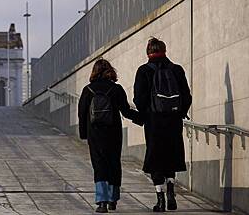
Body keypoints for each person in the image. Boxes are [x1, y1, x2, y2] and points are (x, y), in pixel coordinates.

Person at [133, 38, 192, 212]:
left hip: (153, 122)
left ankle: (160, 200)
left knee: (155, 159)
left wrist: (144, 115)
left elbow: (139, 98)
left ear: (148, 52)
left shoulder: (144, 71)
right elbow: (186, 96)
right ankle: (171, 190)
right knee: (171, 156)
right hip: (173, 121)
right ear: (164, 50)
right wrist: (180, 113)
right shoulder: (176, 69)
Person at [78, 59, 142, 213]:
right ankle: (113, 199)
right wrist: (143, 119)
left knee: (99, 165)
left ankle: (102, 202)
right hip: (113, 133)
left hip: (95, 133)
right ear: (110, 71)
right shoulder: (116, 89)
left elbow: (82, 114)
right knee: (113, 163)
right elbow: (126, 111)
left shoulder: (87, 90)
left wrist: (84, 134)